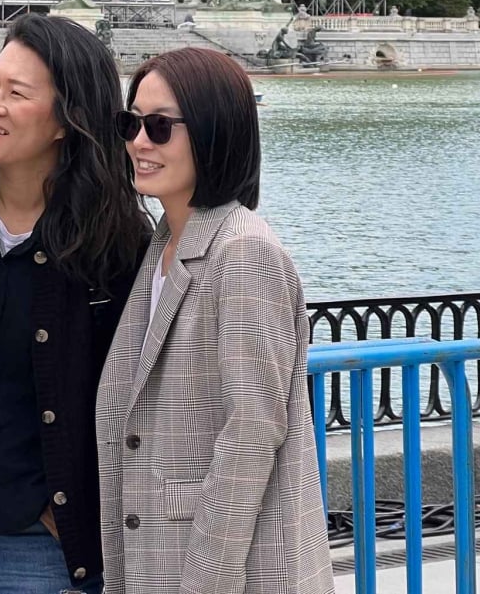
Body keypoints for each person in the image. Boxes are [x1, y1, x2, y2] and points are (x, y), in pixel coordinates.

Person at [0, 14, 150, 594]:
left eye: (17, 93)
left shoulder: (114, 241)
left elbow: (128, 397)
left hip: (38, 542)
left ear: (67, 120)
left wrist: (59, 508)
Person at [97, 48, 332, 594]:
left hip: (224, 573)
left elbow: (253, 432)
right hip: (154, 560)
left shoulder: (244, 252)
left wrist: (206, 580)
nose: (139, 142)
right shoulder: (165, 244)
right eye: (129, 123)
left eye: (160, 127)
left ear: (213, 132)